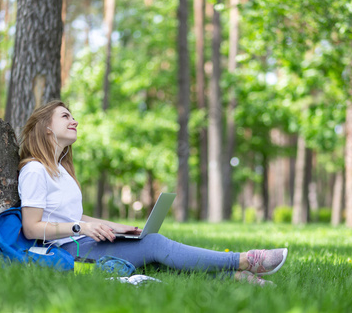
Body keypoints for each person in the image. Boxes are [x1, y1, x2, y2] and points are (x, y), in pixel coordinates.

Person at [18, 100, 288, 286]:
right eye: (65, 116)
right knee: (155, 245)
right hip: (65, 254)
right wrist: (81, 228)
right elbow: (32, 228)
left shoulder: (62, 171)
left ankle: (232, 279)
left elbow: (74, 216)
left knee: (153, 256)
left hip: (78, 243)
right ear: (47, 127)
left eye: (72, 116)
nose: (74, 121)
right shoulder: (34, 170)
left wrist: (118, 227)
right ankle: (244, 261)